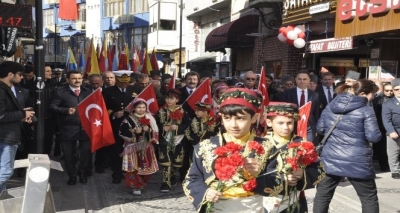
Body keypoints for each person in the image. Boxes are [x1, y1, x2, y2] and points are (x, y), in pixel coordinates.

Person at [183, 89, 324, 212]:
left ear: (254, 118)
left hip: (254, 207)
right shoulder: (205, 146)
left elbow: (278, 183)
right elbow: (192, 178)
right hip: (215, 207)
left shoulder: (267, 147)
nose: (233, 125)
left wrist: (257, 176)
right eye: (227, 118)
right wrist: (205, 192)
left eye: (240, 118)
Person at [313, 79, 381, 213]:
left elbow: (320, 129)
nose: (373, 97)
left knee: (323, 195)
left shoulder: (331, 105)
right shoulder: (366, 110)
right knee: (368, 198)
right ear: (362, 93)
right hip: (357, 160)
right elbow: (374, 136)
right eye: (372, 94)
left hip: (330, 157)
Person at [49, 70, 93, 185]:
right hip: (67, 127)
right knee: (69, 154)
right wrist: (65, 110)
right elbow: (52, 106)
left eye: (79, 78)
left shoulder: (88, 91)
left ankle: (82, 173)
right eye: (74, 78)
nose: (77, 80)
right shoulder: (60, 92)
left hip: (85, 128)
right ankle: (72, 175)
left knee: (86, 152)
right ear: (68, 79)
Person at [0, 61, 35, 192]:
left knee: (3, 170)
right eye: (20, 74)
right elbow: (1, 115)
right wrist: (22, 114)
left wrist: (22, 115)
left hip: (8, 136)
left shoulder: (6, 89)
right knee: (5, 172)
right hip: (5, 138)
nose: (22, 77)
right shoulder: (2, 90)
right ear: (10, 74)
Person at [119, 98, 159, 196]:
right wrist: (133, 132)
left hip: (146, 147)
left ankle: (142, 183)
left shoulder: (150, 118)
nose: (141, 109)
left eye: (143, 107)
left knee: (146, 166)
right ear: (134, 108)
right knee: (134, 167)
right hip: (133, 148)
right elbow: (121, 132)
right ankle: (136, 185)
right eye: (139, 107)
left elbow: (155, 132)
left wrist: (148, 130)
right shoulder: (128, 119)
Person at [102, 70, 136, 183]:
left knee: (130, 148)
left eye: (126, 82)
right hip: (115, 125)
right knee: (116, 150)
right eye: (121, 82)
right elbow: (102, 108)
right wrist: (113, 113)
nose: (124, 84)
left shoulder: (135, 90)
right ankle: (116, 173)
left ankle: (129, 171)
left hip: (131, 125)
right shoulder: (107, 91)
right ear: (116, 80)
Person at [155, 89, 190, 193]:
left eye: (172, 98)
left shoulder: (183, 111)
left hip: (179, 139)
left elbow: (188, 125)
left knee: (176, 162)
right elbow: (155, 125)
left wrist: (178, 128)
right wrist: (162, 128)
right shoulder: (160, 112)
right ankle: (166, 182)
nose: (169, 100)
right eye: (167, 98)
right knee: (165, 161)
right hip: (164, 139)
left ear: (177, 99)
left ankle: (173, 174)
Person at [275, 71, 320, 144]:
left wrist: (316, 129)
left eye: (304, 79)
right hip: (292, 125)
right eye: (299, 79)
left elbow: (316, 113)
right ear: (295, 80)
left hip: (308, 126)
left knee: (308, 148)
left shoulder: (315, 95)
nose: (302, 81)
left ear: (309, 80)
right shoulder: (286, 94)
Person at [382, 78, 400, 179]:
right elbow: (386, 120)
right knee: (393, 152)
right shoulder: (388, 103)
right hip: (395, 130)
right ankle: (395, 171)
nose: (399, 91)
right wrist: (391, 131)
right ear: (393, 90)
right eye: (397, 89)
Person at [373, 82, 393, 172]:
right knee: (382, 148)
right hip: (381, 127)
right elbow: (375, 115)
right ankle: (383, 165)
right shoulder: (378, 100)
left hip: (394, 126)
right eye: (387, 90)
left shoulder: (396, 100)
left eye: (391, 90)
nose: (389, 92)